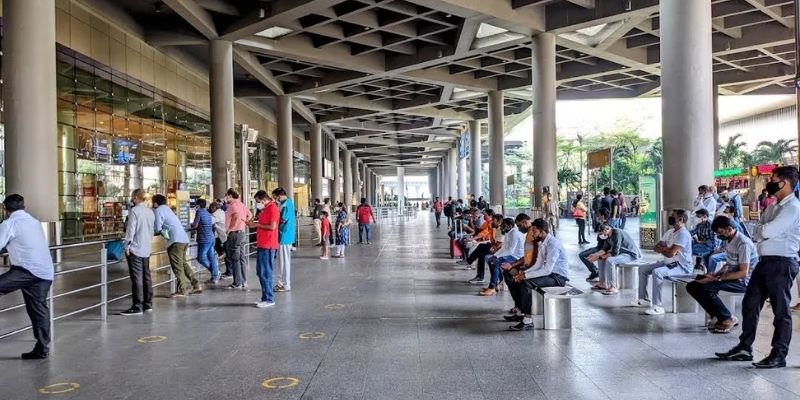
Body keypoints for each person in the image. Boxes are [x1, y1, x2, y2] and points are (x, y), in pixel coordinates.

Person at [716, 166, 800, 369]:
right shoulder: (773, 206)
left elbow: (767, 231)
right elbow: (757, 230)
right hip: (765, 262)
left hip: (782, 262)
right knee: (750, 303)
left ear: (785, 183)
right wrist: (762, 230)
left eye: (774, 178)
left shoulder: (792, 208)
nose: (769, 181)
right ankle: (745, 347)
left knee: (781, 311)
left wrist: (762, 230)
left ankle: (779, 354)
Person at [0, 194, 56, 359]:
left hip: (27, 271)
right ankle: (42, 348)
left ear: (5, 209)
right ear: (24, 207)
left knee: (37, 309)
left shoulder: (10, 223)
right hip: (45, 271)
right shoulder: (33, 221)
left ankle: (42, 347)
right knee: (38, 309)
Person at [687, 216, 757, 334]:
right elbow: (728, 264)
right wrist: (714, 274)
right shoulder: (729, 240)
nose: (719, 235)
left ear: (729, 229)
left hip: (744, 281)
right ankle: (716, 315)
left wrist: (718, 278)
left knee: (707, 288)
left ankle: (727, 318)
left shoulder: (743, 243)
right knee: (692, 286)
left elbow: (743, 272)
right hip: (731, 276)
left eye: (720, 232)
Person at [503, 218, 568, 331]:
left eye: (535, 231)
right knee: (516, 279)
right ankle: (522, 312)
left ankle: (528, 320)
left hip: (558, 278)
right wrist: (522, 274)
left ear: (542, 231)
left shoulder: (553, 244)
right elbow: (538, 265)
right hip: (550, 275)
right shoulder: (543, 243)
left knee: (526, 283)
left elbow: (547, 270)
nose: (532, 233)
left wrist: (525, 276)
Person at [631, 209, 693, 315]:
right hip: (668, 263)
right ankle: (644, 299)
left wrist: (663, 250)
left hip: (681, 266)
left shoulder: (683, 234)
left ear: (681, 219)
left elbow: (670, 253)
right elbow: (656, 247)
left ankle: (657, 306)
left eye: (673, 216)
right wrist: (664, 250)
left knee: (657, 272)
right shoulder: (669, 232)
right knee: (643, 269)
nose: (670, 217)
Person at [153, 194, 201, 297]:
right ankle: (196, 284)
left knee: (177, 265)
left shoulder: (159, 210)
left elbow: (157, 228)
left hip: (175, 241)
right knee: (183, 263)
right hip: (183, 238)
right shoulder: (168, 209)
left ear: (155, 203)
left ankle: (182, 290)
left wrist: (155, 231)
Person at [120, 189, 155, 316]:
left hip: (135, 249)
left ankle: (137, 306)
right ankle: (148, 303)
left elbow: (131, 231)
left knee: (137, 278)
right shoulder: (150, 212)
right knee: (146, 277)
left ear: (135, 197)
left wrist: (126, 246)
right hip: (146, 248)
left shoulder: (134, 211)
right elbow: (152, 231)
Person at [480, 216, 526, 296]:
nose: (502, 227)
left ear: (510, 226)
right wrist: (495, 255)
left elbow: (510, 250)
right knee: (489, 259)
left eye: (504, 225)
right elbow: (504, 247)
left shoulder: (514, 233)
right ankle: (496, 283)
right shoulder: (509, 233)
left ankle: (492, 287)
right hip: (509, 254)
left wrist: (496, 257)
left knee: (496, 262)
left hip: (516, 257)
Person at [591, 223, 641, 295]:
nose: (601, 235)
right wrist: (595, 256)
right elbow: (604, 249)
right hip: (621, 254)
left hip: (630, 255)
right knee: (600, 259)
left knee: (610, 260)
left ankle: (613, 287)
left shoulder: (617, 233)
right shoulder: (607, 236)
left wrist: (601, 256)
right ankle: (603, 283)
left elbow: (614, 253)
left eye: (601, 233)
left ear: (606, 229)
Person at [248, 191, 279, 308]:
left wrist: (256, 225)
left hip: (268, 245)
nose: (257, 204)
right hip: (262, 244)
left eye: (257, 201)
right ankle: (264, 297)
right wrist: (254, 224)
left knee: (266, 272)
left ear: (263, 199)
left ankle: (269, 298)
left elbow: (272, 227)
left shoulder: (272, 209)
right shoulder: (266, 209)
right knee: (260, 272)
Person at [224, 189, 251, 289]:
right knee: (242, 258)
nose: (225, 198)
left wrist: (231, 229)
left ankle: (237, 283)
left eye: (226, 196)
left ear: (230, 195)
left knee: (235, 259)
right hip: (242, 233)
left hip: (234, 234)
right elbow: (250, 215)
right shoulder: (241, 204)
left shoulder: (233, 205)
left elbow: (235, 216)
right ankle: (244, 281)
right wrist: (244, 223)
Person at [467, 214, 503, 284]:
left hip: (499, 250)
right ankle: (479, 275)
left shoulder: (501, 230)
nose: (492, 222)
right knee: (481, 249)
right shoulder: (494, 228)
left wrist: (492, 246)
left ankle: (481, 276)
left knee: (483, 255)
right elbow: (492, 240)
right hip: (494, 246)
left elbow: (499, 244)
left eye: (493, 220)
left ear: (499, 222)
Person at [272, 187, 296, 292]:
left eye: (276, 197)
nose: (276, 199)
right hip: (284, 235)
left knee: (284, 261)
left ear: (279, 196)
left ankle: (286, 284)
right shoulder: (287, 203)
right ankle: (281, 282)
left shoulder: (286, 204)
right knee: (282, 260)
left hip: (285, 235)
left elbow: (283, 219)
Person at [192, 199, 219, 284]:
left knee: (201, 258)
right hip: (211, 238)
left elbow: (195, 225)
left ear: (199, 205)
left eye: (196, 204)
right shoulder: (208, 213)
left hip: (204, 239)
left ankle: (215, 272)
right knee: (211, 257)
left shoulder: (199, 212)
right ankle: (215, 275)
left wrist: (192, 225)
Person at [578, 208, 610, 282]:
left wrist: (599, 253)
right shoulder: (602, 224)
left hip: (602, 249)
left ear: (602, 216)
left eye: (598, 214)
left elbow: (604, 239)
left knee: (582, 255)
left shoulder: (606, 226)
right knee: (582, 254)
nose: (597, 215)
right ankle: (595, 271)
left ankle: (595, 271)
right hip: (599, 247)